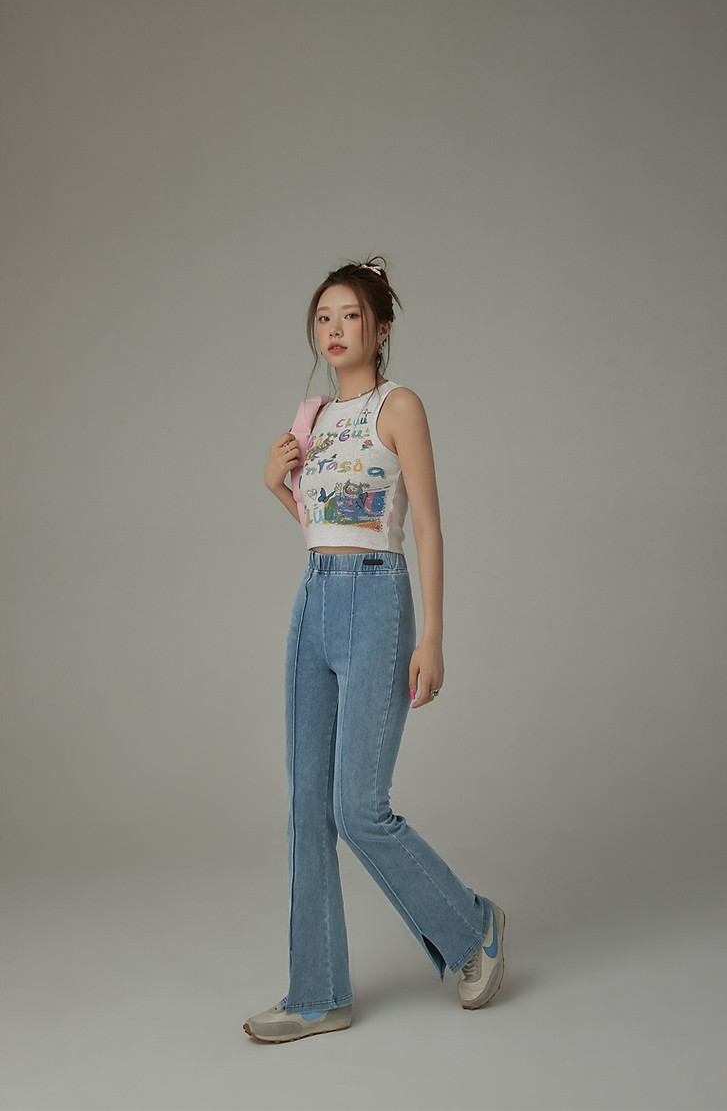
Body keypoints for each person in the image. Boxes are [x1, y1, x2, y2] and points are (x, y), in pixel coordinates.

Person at [243, 257, 505, 1044]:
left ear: (381, 328)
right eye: (323, 317)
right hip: (314, 600)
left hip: (377, 600)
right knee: (306, 809)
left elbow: (424, 523)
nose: (334, 329)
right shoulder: (316, 417)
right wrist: (276, 484)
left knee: (358, 807)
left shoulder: (400, 405)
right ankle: (318, 992)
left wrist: (434, 633)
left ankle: (473, 926)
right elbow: (325, 522)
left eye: (349, 315)